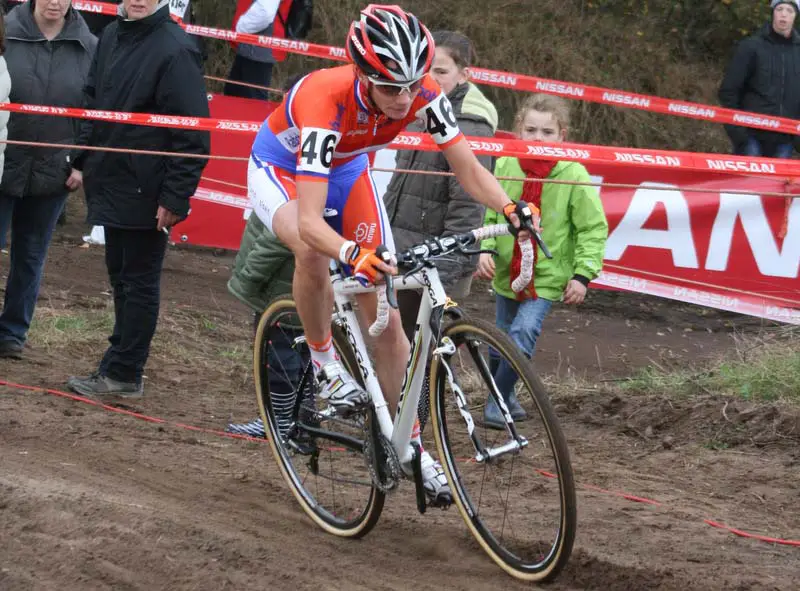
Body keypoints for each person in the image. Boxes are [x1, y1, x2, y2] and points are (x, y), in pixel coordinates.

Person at [246, 4, 539, 504]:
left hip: (347, 170)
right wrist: (349, 251)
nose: (404, 99)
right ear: (362, 75)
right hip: (282, 168)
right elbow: (314, 222)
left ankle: (413, 447)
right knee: (313, 251)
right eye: (390, 88)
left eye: (412, 84)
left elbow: (468, 171)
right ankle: (323, 365)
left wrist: (510, 206)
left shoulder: (423, 91)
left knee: (384, 316)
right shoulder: (326, 100)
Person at [66, 0, 210, 397]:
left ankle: (126, 372)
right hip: (109, 176)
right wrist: (80, 159)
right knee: (120, 277)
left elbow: (193, 132)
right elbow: (93, 101)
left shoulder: (176, 47)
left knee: (139, 281)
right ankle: (118, 363)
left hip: (148, 186)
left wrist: (176, 196)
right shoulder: (111, 35)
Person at [475, 94, 608, 428]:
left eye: (547, 132)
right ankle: (507, 397)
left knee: (522, 332)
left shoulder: (574, 174)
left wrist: (582, 275)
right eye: (531, 129)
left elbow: (592, 227)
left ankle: (496, 401)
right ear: (518, 130)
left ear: (562, 134)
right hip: (506, 269)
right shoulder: (505, 163)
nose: (538, 138)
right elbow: (492, 210)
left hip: (547, 276)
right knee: (501, 338)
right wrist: (486, 249)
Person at [383, 30, 498, 340]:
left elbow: (469, 205)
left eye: (441, 71)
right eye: (425, 70)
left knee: (423, 354)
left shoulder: (469, 124)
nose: (430, 78)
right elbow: (402, 186)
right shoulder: (417, 108)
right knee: (399, 348)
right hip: (403, 252)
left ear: (464, 75)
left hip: (436, 262)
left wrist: (442, 271)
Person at [0, 0, 96, 360]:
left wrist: (81, 163)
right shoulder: (6, 32)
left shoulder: (89, 46)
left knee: (31, 256)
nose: (55, 1)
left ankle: (12, 333)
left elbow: (95, 110)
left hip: (54, 170)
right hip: (3, 163)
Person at [718, 0, 800, 158]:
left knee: (775, 184)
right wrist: (738, 133)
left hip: (785, 140)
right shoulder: (751, 47)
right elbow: (728, 91)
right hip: (751, 137)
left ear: (795, 16)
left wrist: (796, 137)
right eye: (780, 9)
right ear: (773, 13)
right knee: (747, 182)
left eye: (789, 10)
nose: (784, 14)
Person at [225, 0, 280, 100]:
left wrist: (240, 28)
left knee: (253, 103)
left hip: (258, 50)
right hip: (249, 48)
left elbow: (265, 12)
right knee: (232, 96)